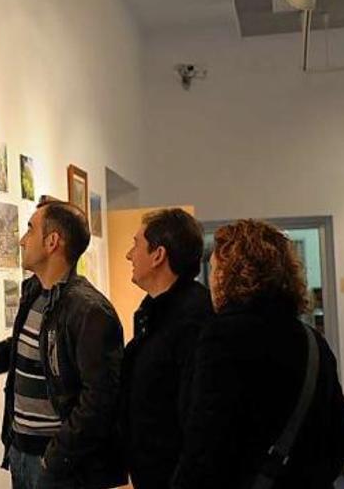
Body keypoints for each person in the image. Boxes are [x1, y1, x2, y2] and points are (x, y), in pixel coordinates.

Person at [172, 219, 344, 489]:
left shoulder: (221, 337)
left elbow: (205, 443)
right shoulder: (313, 341)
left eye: (213, 269)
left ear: (229, 274)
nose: (209, 280)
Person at [0, 198, 126, 489]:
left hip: (61, 464)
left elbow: (99, 399)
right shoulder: (36, 292)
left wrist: (57, 455)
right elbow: (37, 345)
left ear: (52, 242)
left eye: (30, 229)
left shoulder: (89, 310)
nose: (22, 240)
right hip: (22, 452)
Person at [121, 208, 213, 488]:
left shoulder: (193, 320)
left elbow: (198, 419)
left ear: (158, 255)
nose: (129, 255)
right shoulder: (154, 312)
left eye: (136, 244)